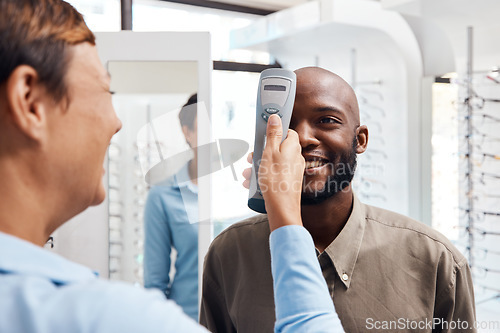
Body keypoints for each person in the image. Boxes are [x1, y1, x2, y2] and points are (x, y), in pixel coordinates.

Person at [0, 1, 344, 332]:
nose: (116, 123)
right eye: (106, 91)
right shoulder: (106, 318)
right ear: (29, 101)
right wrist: (285, 215)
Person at [200, 67, 477, 333]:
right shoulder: (228, 255)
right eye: (287, 123)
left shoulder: (437, 262)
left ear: (360, 140)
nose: (305, 138)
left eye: (326, 120)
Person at [144, 93, 199, 320]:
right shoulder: (162, 196)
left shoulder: (243, 190)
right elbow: (155, 284)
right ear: (188, 133)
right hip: (187, 320)